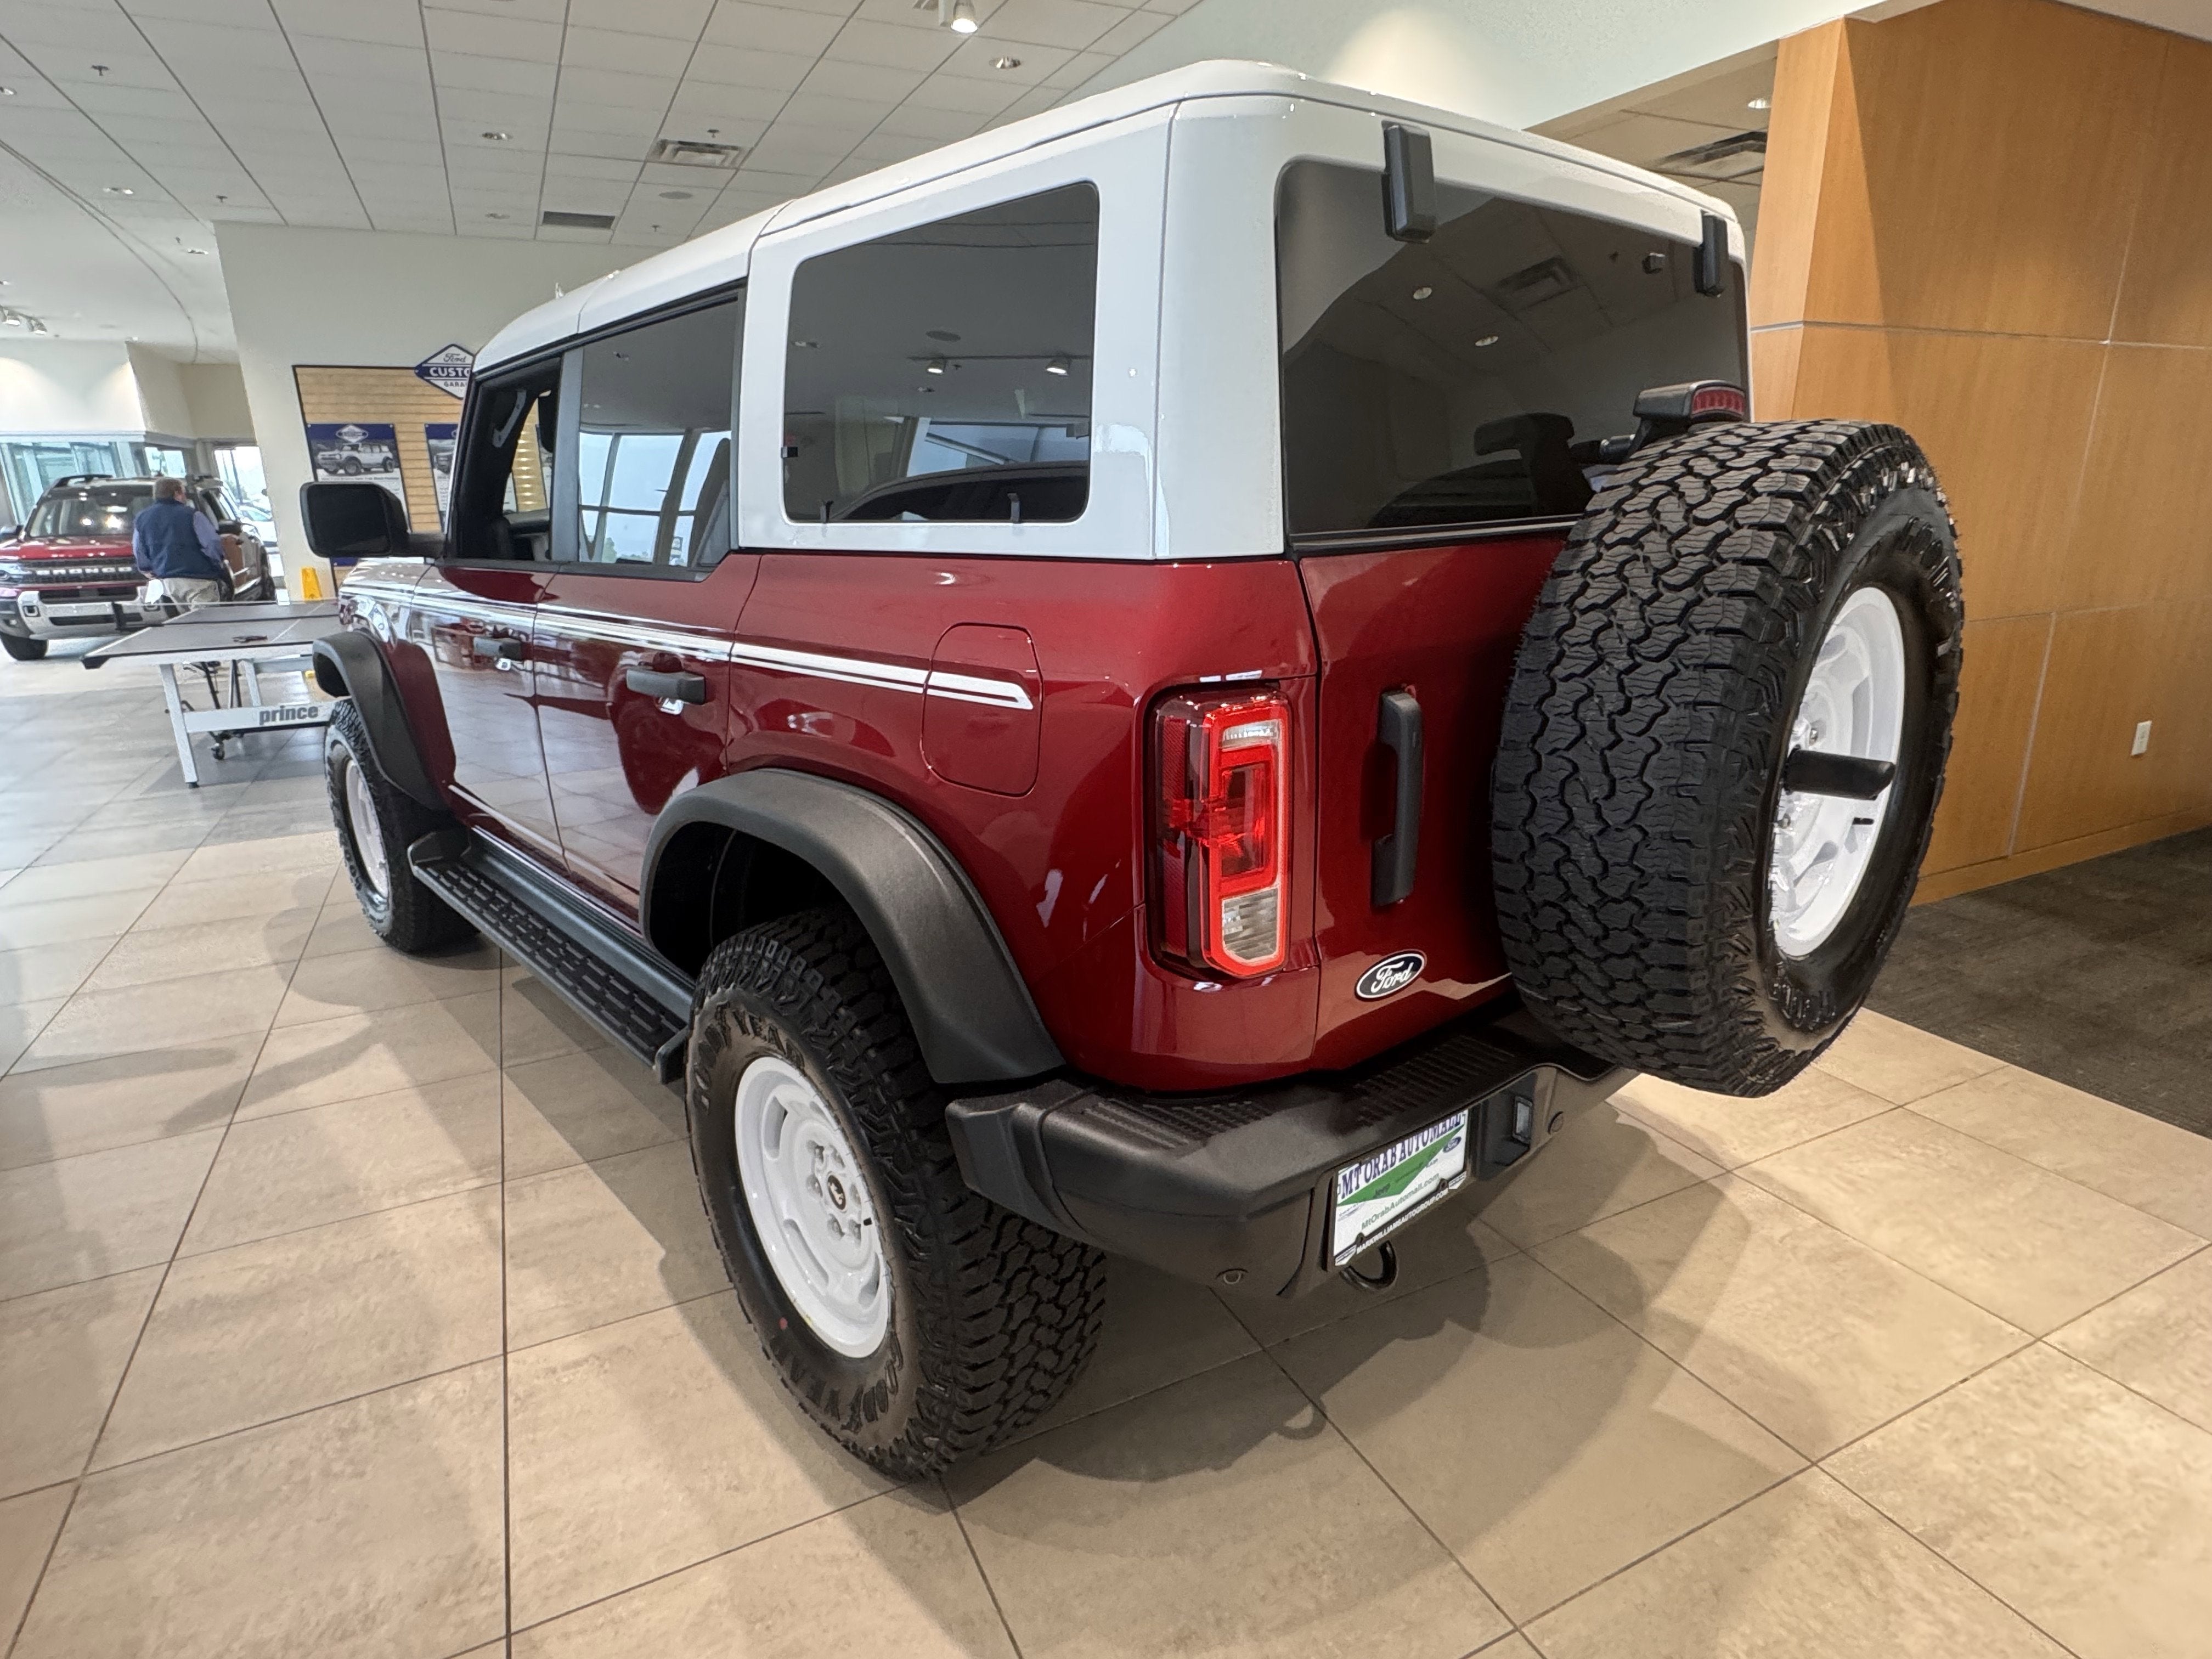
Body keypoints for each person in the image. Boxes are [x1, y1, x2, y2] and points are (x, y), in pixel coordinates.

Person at [132, 477, 228, 611]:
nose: (185, 497)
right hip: (199, 578)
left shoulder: (142, 518)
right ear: (177, 493)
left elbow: (139, 549)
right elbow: (212, 543)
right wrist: (218, 562)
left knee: (187, 621)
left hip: (169, 581)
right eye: (183, 493)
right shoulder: (193, 515)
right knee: (208, 622)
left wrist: (147, 569)